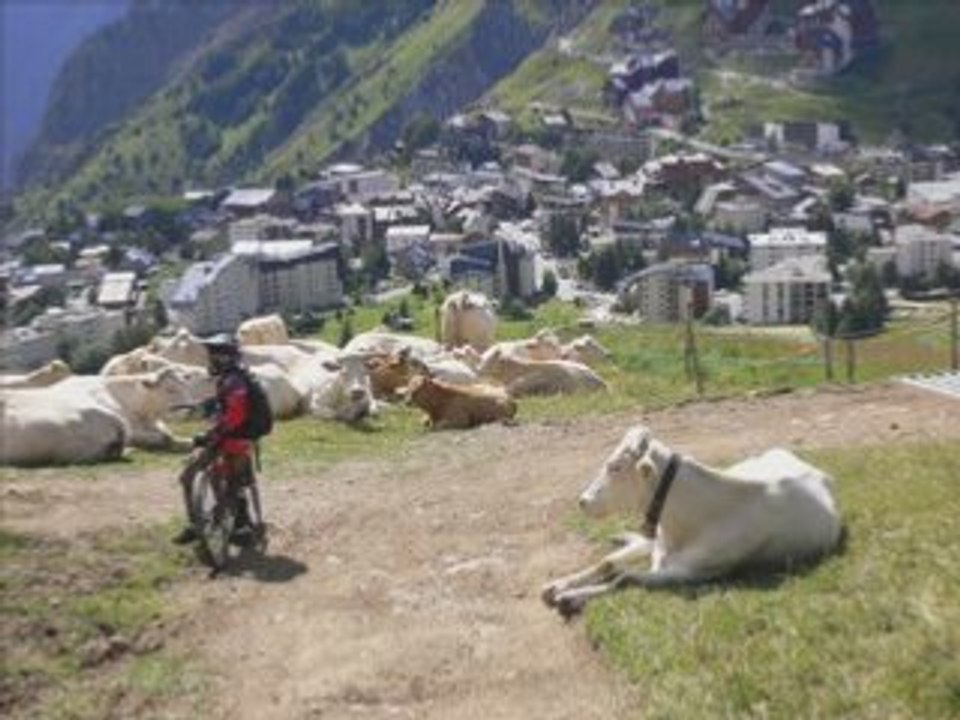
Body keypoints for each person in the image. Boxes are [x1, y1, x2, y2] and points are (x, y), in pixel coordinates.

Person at [173, 333, 255, 545]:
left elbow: (237, 413)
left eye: (216, 356)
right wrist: (204, 406)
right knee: (193, 476)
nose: (212, 360)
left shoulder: (235, 380)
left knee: (232, 482)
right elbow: (224, 403)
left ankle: (240, 526)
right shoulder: (230, 379)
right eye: (212, 356)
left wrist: (213, 433)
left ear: (227, 358)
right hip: (228, 438)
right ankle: (200, 523)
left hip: (234, 440)